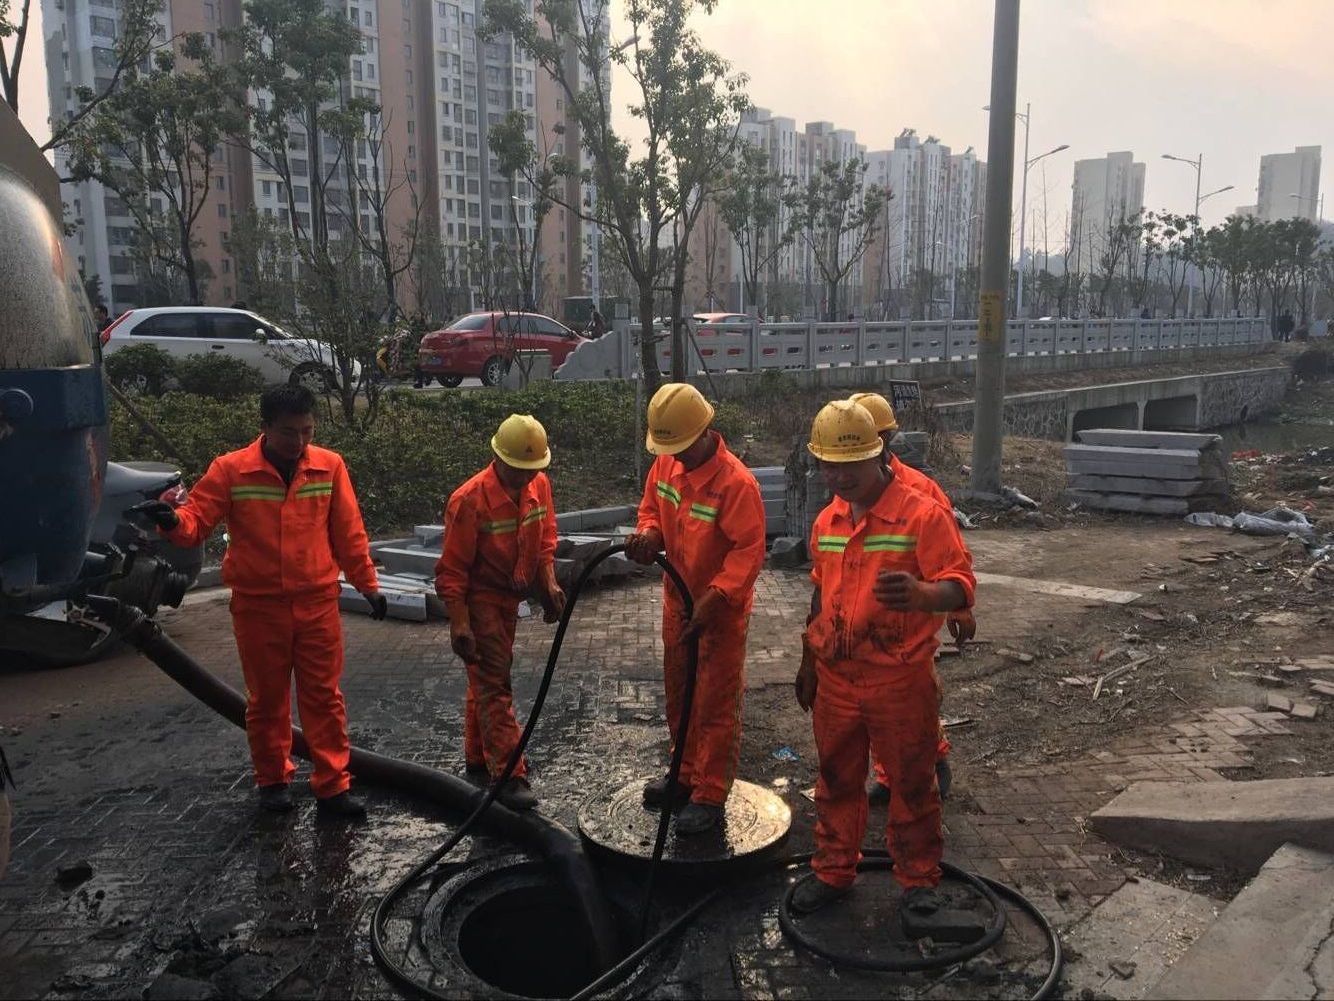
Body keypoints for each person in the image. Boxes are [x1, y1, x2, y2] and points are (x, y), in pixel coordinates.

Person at [132, 385, 386, 818]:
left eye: (308, 431)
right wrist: (173, 522)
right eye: (289, 433)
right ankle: (273, 781)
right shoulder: (232, 471)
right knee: (267, 700)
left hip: (317, 603)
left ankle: (333, 786)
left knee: (324, 698)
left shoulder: (329, 467)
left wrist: (368, 584)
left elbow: (349, 532)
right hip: (259, 607)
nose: (300, 443)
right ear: (264, 428)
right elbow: (197, 521)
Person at [792, 400, 975, 917]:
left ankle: (918, 880)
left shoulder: (922, 513)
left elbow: (960, 587)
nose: (839, 476)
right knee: (835, 779)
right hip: (837, 677)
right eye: (829, 464)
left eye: (849, 465)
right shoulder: (828, 519)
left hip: (898, 679)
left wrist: (922, 594)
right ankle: (832, 869)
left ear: (879, 456)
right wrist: (808, 661)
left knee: (913, 781)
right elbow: (819, 594)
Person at [624, 383, 766, 835]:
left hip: (719, 611)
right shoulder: (666, 465)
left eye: (682, 446)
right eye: (669, 448)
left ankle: (709, 792)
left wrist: (719, 594)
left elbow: (748, 549)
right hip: (677, 603)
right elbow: (651, 511)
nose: (676, 456)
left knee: (714, 702)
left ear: (705, 431)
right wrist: (648, 536)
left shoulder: (736, 484)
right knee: (679, 693)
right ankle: (682, 774)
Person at [434, 414, 565, 812]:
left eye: (532, 471)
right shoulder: (470, 501)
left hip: (511, 595)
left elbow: (545, 540)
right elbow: (451, 571)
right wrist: (459, 622)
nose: (526, 479)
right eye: (518, 470)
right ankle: (508, 774)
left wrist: (549, 585)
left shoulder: (537, 485)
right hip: (481, 598)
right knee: (495, 684)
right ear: (498, 457)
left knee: (486, 678)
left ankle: (479, 755)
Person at [848, 392, 973, 805]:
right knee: (873, 710)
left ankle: (929, 763)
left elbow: (951, 557)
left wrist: (958, 606)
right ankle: (889, 775)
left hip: (910, 625)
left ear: (885, 439)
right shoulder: (850, 490)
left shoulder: (921, 492)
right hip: (866, 627)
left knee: (910, 703)